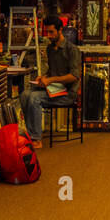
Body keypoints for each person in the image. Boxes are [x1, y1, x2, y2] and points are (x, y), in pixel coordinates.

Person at [19, 18, 80, 147]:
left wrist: (50, 80)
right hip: (53, 89)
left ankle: (36, 139)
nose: (49, 36)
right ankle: (31, 134)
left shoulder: (72, 49)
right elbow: (52, 72)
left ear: (60, 30)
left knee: (35, 97)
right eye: (47, 32)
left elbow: (74, 76)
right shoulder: (50, 49)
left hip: (67, 93)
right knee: (25, 94)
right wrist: (43, 77)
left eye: (52, 32)